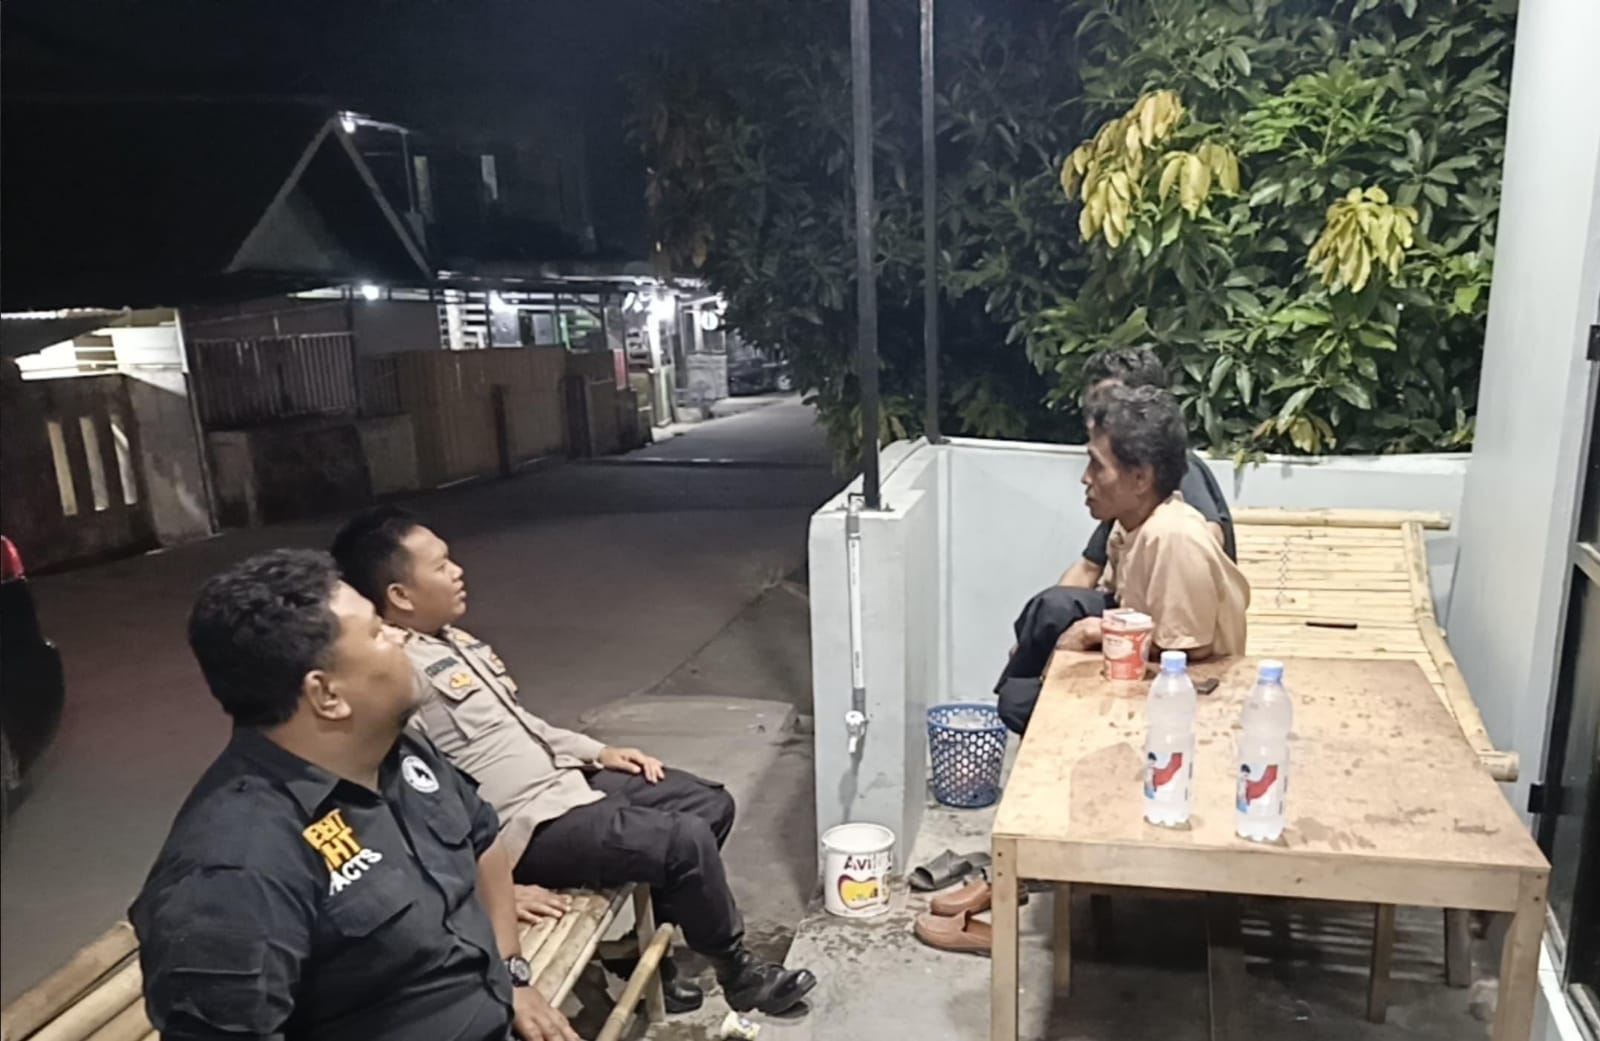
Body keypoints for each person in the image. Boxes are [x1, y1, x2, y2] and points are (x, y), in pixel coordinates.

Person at [330, 509, 817, 1018]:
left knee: (707, 803)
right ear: (400, 595)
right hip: (525, 826)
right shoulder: (398, 676)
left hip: (563, 782)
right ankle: (739, 973)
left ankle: (640, 958)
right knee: (683, 841)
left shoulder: (452, 641)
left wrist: (597, 752)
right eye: (441, 565)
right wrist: (490, 884)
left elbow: (521, 723)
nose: (458, 572)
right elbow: (408, 799)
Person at [130, 549, 578, 1041]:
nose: (401, 636)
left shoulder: (395, 750)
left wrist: (512, 972)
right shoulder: (238, 869)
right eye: (378, 632)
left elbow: (481, 837)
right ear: (327, 695)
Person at [996, 385, 1250, 733]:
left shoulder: (1172, 536)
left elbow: (1190, 654)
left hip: (1193, 691)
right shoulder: (1130, 523)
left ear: (1140, 478)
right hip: (1148, 656)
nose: (1085, 478)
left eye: (1097, 466)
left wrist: (1094, 632)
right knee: (1053, 610)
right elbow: (1111, 594)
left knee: (1020, 702)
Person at [1058, 345, 1235, 593]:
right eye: (1092, 406)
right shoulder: (1125, 501)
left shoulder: (1177, 469)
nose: (1094, 417)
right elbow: (1088, 568)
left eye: (1110, 403)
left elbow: (1206, 543)